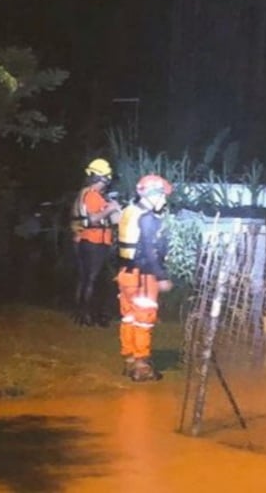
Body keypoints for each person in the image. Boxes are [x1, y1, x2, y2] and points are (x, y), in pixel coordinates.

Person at [116, 174, 174, 381]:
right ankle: (141, 365)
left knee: (129, 318)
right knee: (144, 320)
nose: (165, 200)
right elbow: (150, 250)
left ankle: (130, 360)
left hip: (126, 274)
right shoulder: (148, 218)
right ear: (153, 194)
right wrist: (161, 276)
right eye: (163, 196)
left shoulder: (128, 212)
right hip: (144, 277)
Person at [71, 158, 121, 326]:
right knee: (93, 279)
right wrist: (111, 208)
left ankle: (85, 314)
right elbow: (92, 219)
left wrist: (113, 210)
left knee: (88, 279)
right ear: (103, 178)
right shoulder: (91, 195)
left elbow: (113, 220)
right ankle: (86, 316)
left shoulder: (91, 194)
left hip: (92, 241)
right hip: (94, 241)